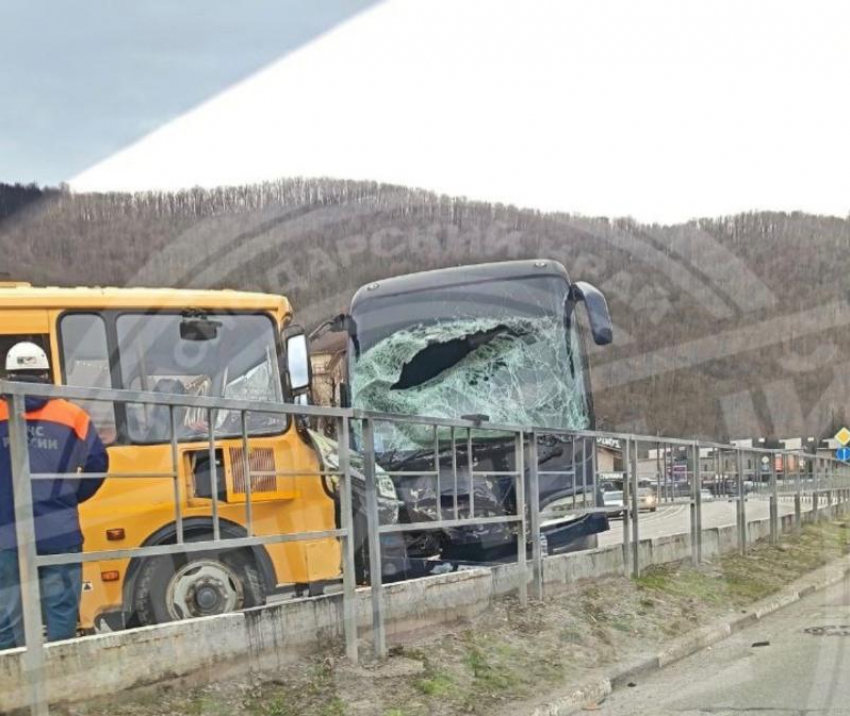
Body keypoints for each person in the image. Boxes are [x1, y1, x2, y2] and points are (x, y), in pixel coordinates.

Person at [0, 342, 108, 648]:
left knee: (8, 619)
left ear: (8, 374)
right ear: (46, 375)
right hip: (59, 530)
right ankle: (62, 681)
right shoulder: (72, 415)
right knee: (61, 613)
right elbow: (98, 464)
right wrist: (71, 496)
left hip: (5, 532)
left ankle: (16, 685)